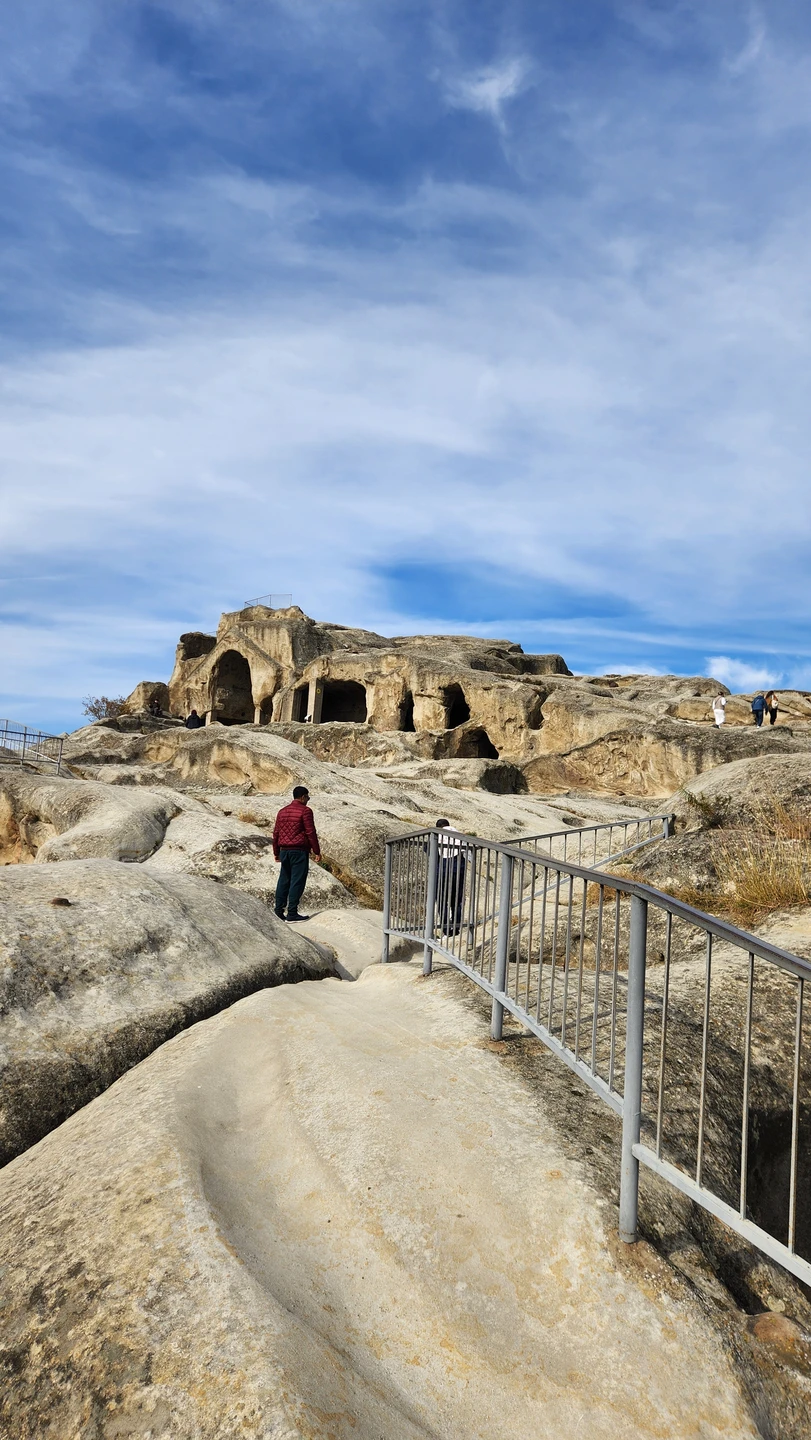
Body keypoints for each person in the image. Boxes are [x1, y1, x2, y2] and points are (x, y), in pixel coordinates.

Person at [272, 785, 321, 921]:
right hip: (299, 851)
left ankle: (278, 910)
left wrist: (276, 852)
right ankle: (292, 912)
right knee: (297, 881)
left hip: (284, 851)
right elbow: (310, 832)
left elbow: (276, 833)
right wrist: (316, 851)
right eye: (308, 797)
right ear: (303, 797)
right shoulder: (305, 811)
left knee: (283, 880)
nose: (308, 799)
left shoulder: (282, 811)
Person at [435, 818, 466, 936]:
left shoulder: (437, 835)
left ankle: (445, 928)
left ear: (438, 827)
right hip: (458, 870)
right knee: (456, 900)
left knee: (441, 899)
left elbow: (428, 849)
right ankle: (456, 928)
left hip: (442, 870)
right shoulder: (458, 835)